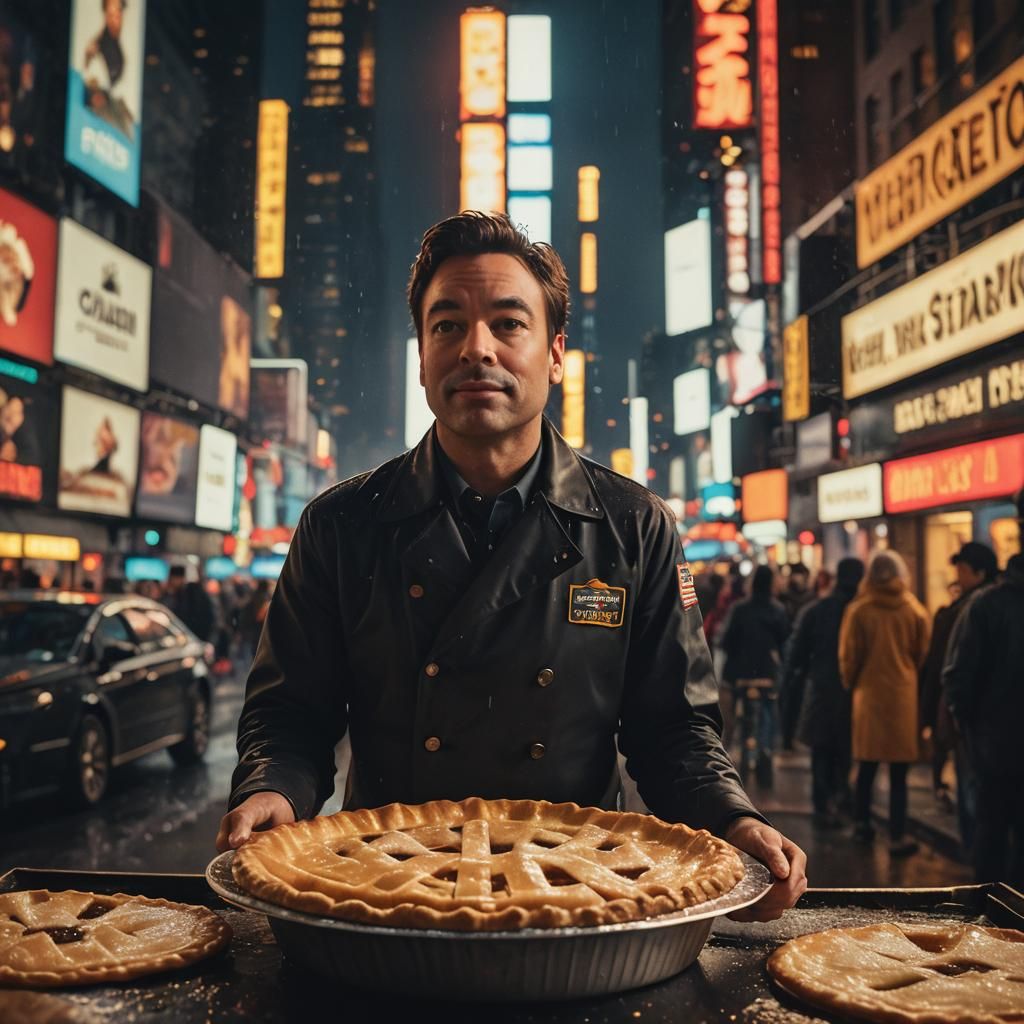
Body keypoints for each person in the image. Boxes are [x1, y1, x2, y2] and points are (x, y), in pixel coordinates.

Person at [216, 212, 807, 921]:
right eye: (447, 326)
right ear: (422, 357)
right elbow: (291, 713)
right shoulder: (341, 524)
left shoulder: (633, 525)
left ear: (555, 354)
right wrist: (272, 790)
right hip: (387, 892)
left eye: (508, 324)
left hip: (582, 894)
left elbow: (674, 729)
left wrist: (732, 820)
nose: (477, 348)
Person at [839, 550, 931, 857]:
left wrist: (851, 683)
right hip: (903, 696)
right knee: (899, 773)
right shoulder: (914, 609)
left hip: (869, 694)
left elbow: (849, 657)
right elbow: (921, 652)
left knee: (866, 766)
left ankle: (862, 825)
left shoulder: (859, 611)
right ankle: (897, 835)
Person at [942, 553, 1024, 886]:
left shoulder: (985, 605)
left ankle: (992, 907)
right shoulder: (986, 605)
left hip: (994, 746)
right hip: (995, 744)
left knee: (991, 834)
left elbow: (958, 676)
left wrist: (969, 730)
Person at [919, 541, 997, 835]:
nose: (958, 576)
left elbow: (948, 671)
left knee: (973, 794)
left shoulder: (973, 610)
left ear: (979, 572)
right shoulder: (969, 607)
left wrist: (955, 714)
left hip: (974, 722)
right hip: (983, 721)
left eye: (962, 570)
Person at [780, 558, 864, 829]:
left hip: (822, 690)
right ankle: (842, 800)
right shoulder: (863, 612)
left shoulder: (816, 610)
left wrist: (793, 679)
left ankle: (823, 805)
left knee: (822, 752)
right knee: (846, 752)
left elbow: (796, 653)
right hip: (855, 694)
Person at [718, 565, 790, 785]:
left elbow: (726, 641)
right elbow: (785, 641)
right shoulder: (777, 610)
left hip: (741, 673)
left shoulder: (739, 608)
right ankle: (764, 761)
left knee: (740, 718)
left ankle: (740, 762)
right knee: (767, 717)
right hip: (767, 673)